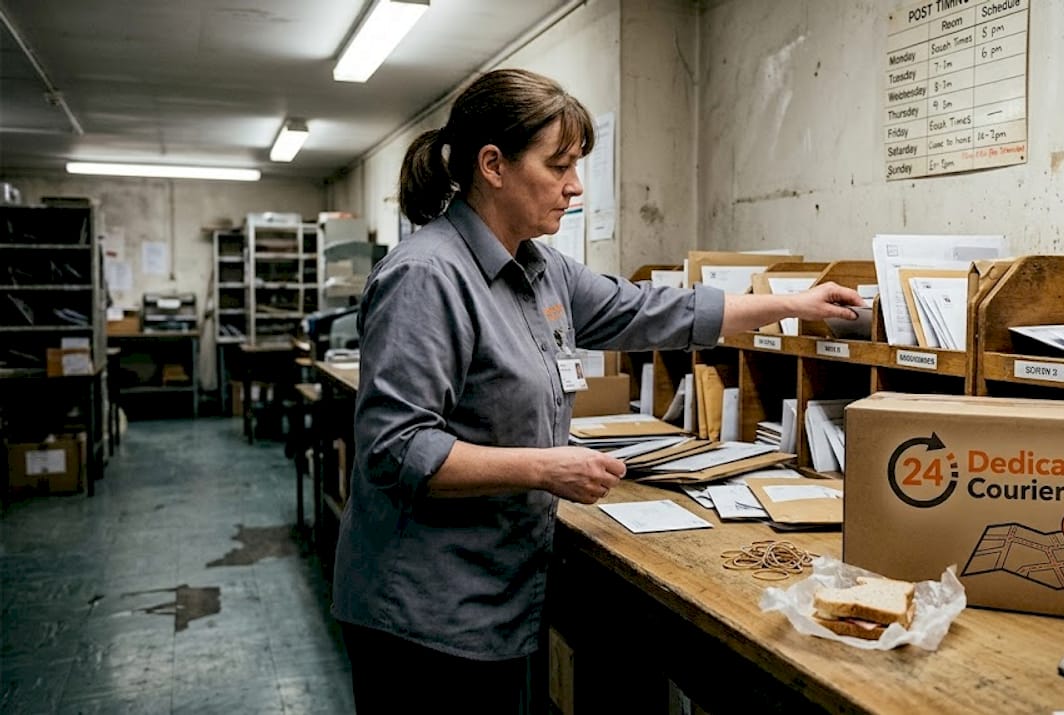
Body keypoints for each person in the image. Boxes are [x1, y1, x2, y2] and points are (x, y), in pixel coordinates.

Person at [331, 68, 865, 713]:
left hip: (499, 592)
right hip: (425, 612)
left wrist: (790, 303)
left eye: (577, 165)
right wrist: (546, 467)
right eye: (558, 166)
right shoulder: (427, 276)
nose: (575, 187)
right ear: (493, 165)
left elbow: (643, 310)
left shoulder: (539, 265)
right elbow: (397, 449)